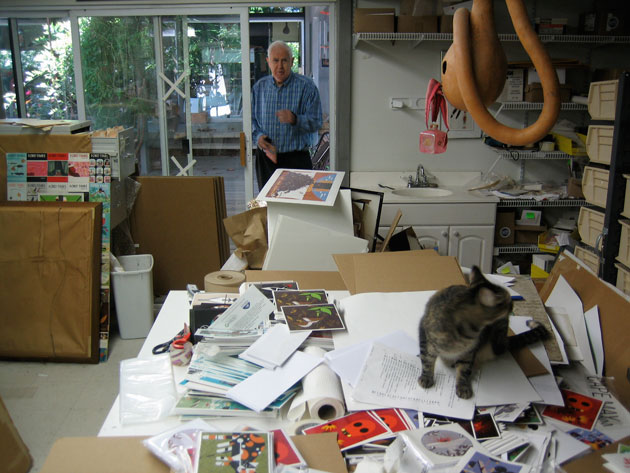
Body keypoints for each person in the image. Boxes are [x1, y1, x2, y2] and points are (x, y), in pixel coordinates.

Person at [252, 40, 323, 189]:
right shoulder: (259, 88)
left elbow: (316, 122)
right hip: (266, 159)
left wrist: (295, 119)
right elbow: (251, 121)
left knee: (297, 201)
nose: (280, 66)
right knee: (268, 201)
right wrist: (258, 137)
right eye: (275, 60)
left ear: (292, 61)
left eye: (284, 60)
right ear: (268, 62)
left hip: (296, 160)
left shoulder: (307, 87)